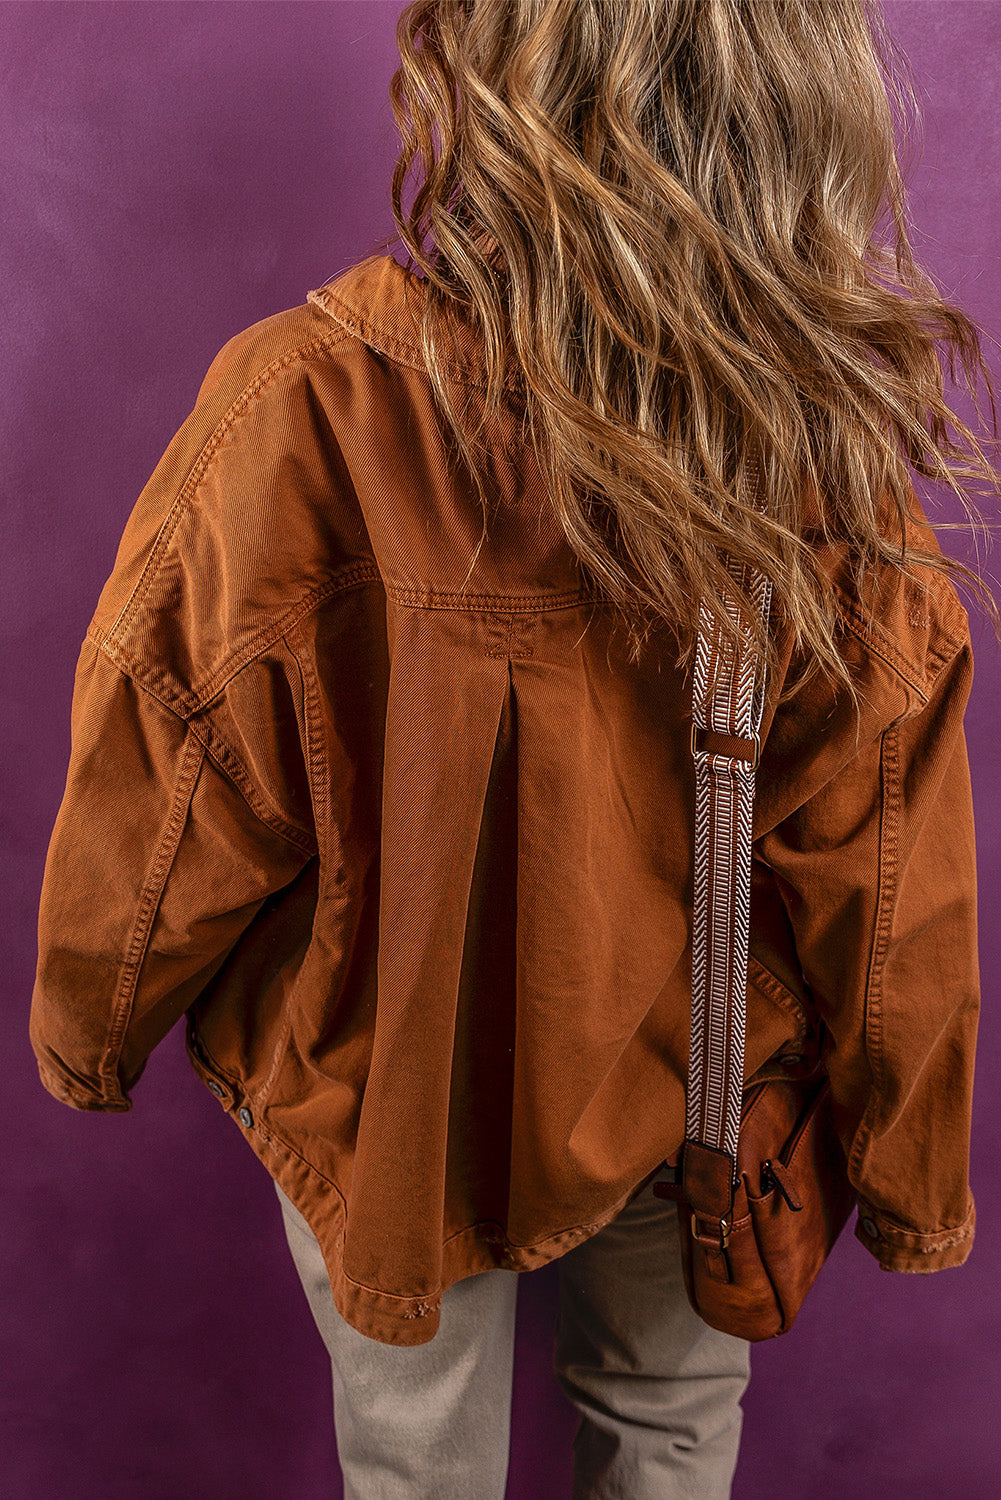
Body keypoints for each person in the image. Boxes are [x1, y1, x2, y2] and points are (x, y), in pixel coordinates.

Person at [28, 2, 998, 1497]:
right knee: (670, 1436)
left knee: (413, 1461)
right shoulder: (821, 451)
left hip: (396, 1069)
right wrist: (907, 1172)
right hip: (701, 1077)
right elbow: (887, 855)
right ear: (794, 115)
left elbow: (174, 748)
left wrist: (94, 1019)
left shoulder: (306, 408)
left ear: (486, 91)